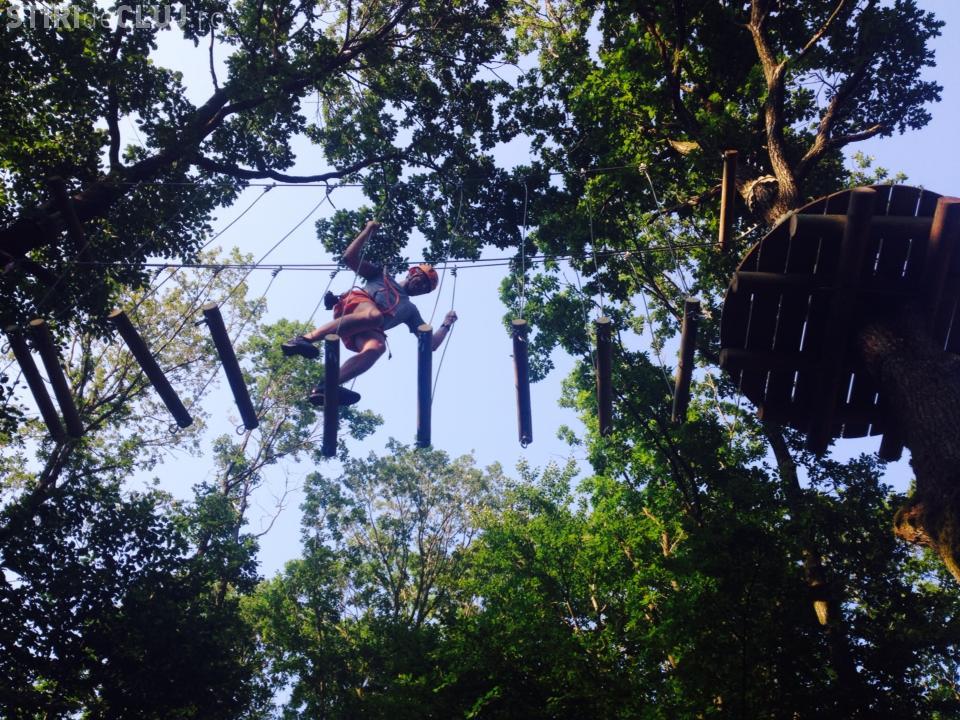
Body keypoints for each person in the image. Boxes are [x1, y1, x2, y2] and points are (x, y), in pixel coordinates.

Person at [282, 220, 458, 406]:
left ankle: (327, 385)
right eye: (421, 280)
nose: (421, 287)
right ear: (411, 273)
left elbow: (431, 344)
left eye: (425, 288)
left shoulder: (410, 310)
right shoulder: (382, 276)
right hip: (356, 306)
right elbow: (350, 258)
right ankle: (304, 339)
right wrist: (367, 231)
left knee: (377, 348)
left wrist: (446, 324)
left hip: (369, 327)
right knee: (374, 316)